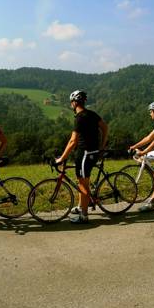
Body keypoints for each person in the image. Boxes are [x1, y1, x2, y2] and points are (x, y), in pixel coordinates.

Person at [56, 90, 108, 224]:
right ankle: (81, 206)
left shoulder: (79, 118)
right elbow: (105, 127)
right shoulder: (92, 114)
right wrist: (102, 145)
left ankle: (84, 215)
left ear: (74, 103)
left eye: (71, 103)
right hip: (93, 152)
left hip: (85, 154)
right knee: (82, 182)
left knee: (83, 185)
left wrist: (62, 158)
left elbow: (73, 141)